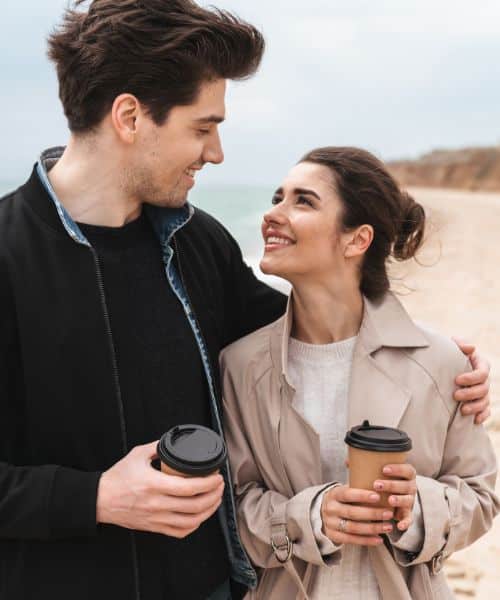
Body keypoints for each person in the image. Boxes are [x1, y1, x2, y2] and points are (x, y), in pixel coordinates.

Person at [0, 1, 490, 598]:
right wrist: (96, 498)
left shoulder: (198, 242)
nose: (216, 153)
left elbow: (314, 335)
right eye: (203, 128)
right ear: (129, 116)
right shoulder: (7, 257)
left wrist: (438, 359)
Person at [220, 147, 499, 599]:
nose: (273, 213)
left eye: (302, 201)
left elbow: (481, 498)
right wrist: (311, 517)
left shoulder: (442, 362)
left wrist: (416, 507)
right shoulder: (240, 365)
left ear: (356, 240)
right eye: (277, 197)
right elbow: (231, 507)